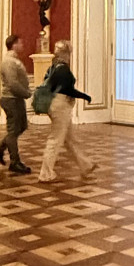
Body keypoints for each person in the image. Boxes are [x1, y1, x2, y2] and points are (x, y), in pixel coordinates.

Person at [38, 40, 95, 183]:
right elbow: (68, 90)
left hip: (54, 105)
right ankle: (45, 174)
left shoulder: (53, 67)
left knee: (70, 139)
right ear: (65, 53)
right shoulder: (63, 69)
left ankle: (85, 165)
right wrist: (85, 96)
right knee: (55, 140)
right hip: (60, 106)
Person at [0, 33, 31, 174]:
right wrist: (26, 93)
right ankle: (15, 162)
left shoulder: (14, 60)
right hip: (11, 99)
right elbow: (13, 83)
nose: (22, 45)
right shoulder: (9, 62)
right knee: (13, 131)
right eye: (20, 43)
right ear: (14, 45)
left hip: (16, 98)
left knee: (22, 126)